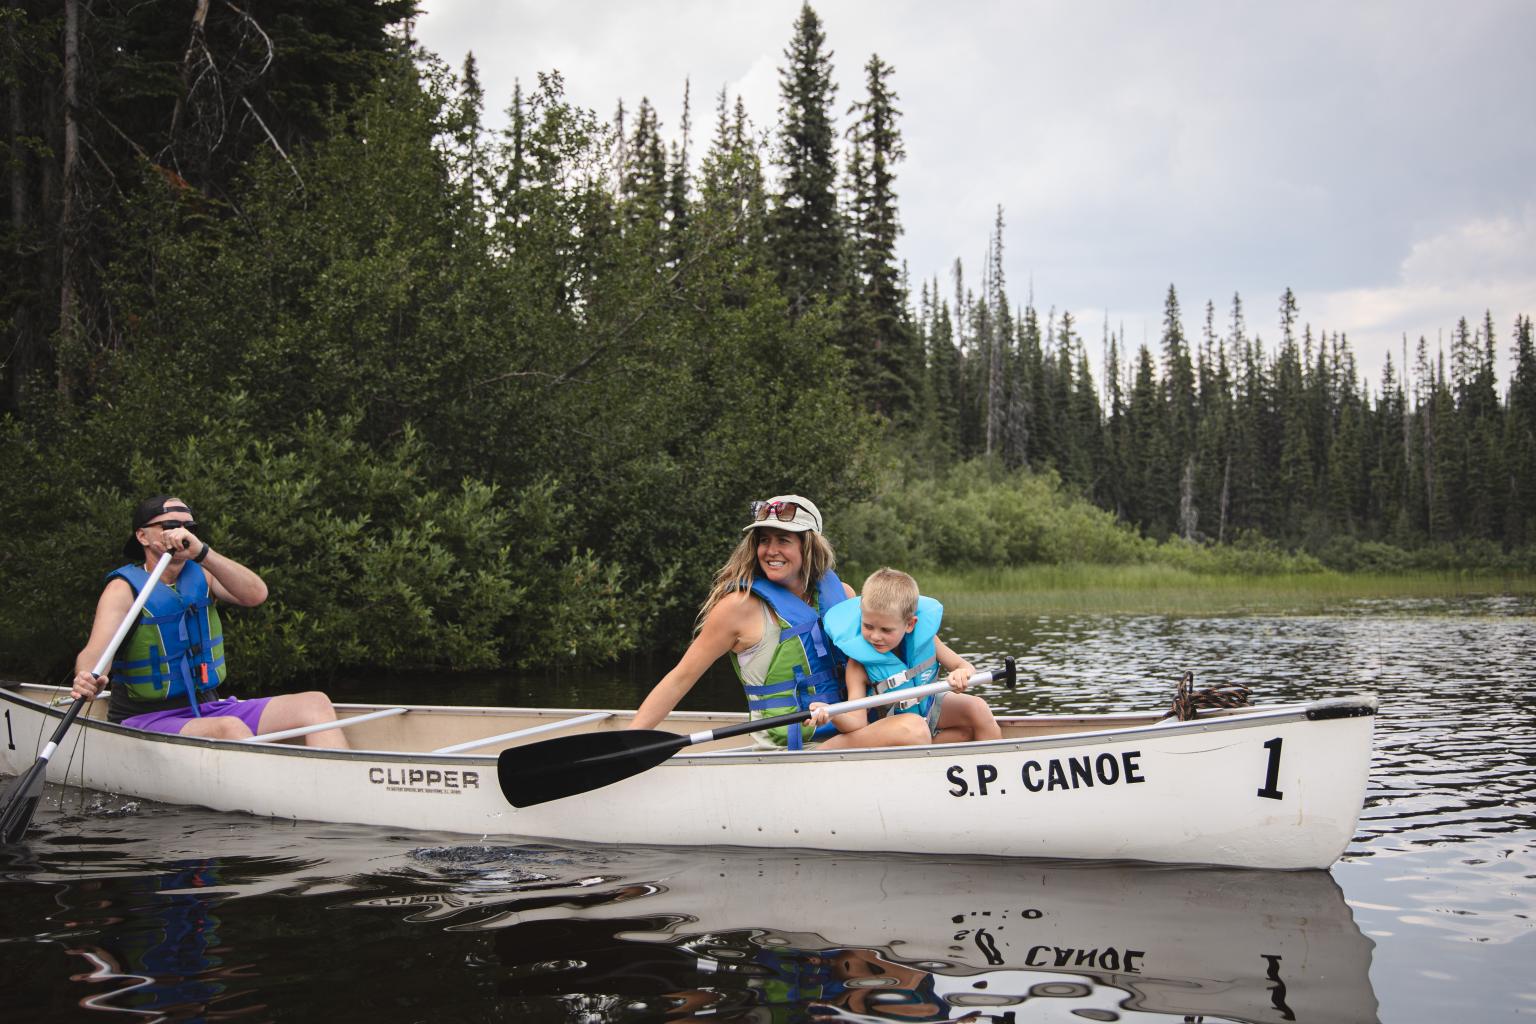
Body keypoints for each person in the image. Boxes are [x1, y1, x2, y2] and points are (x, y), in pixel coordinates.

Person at [629, 495, 923, 750]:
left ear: (808, 546)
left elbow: (874, 663)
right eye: (764, 540)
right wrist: (631, 742)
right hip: (793, 746)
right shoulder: (738, 608)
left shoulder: (842, 595)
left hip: (853, 730)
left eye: (783, 540)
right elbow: (680, 678)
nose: (771, 551)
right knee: (912, 729)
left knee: (967, 717)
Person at [68, 495, 349, 748]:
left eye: (189, 527)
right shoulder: (122, 589)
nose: (181, 533)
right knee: (229, 729)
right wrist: (87, 678)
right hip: (146, 717)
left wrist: (204, 554)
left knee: (316, 703)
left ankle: (340, 792)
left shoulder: (203, 573)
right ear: (142, 536)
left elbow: (256, 594)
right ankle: (280, 798)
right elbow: (95, 654)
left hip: (206, 707)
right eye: (170, 525)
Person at [817, 567, 1001, 745]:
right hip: (897, 728)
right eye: (868, 626)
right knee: (922, 729)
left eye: (886, 630)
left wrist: (962, 674)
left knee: (978, 708)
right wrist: (834, 714)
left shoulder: (927, 640)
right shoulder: (858, 665)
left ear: (910, 624)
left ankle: (996, 765)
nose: (875, 636)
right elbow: (857, 722)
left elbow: (963, 666)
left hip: (929, 709)